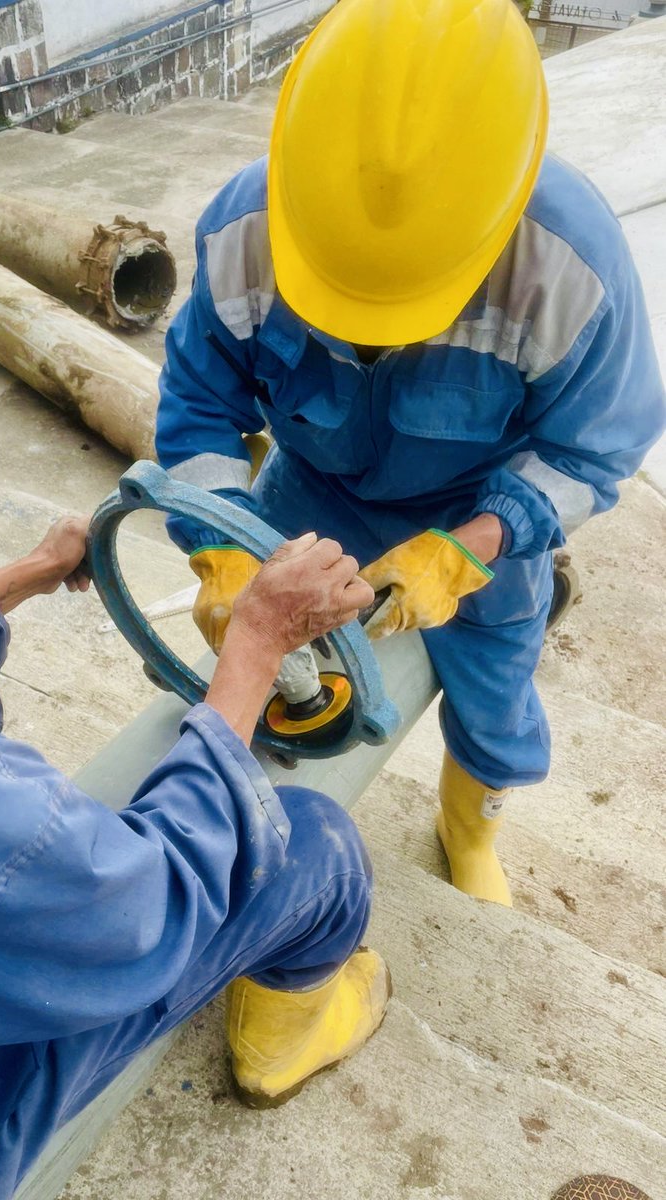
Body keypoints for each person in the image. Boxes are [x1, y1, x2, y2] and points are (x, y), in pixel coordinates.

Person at [0, 82, 392, 1200]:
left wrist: (12, 582)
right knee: (305, 845)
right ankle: (292, 1026)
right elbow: (142, 905)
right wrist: (253, 649)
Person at [156, 0, 666, 907]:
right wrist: (223, 549)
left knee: (494, 700)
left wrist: (472, 547)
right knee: (267, 665)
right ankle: (259, 819)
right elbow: (198, 406)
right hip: (311, 488)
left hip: (482, 513)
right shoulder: (242, 233)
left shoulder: (570, 268)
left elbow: (593, 452)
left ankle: (471, 827)